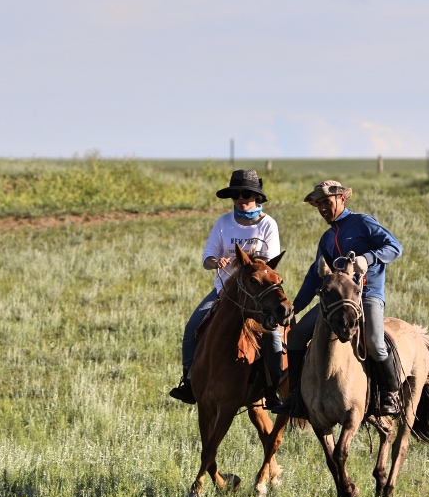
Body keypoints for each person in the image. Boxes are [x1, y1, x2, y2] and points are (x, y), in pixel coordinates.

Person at [268, 180, 403, 418]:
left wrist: (368, 258)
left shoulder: (363, 222)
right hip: (334, 301)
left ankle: (391, 395)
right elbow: (314, 276)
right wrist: (297, 306)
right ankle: (296, 398)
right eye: (318, 204)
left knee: (373, 341)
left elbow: (394, 247)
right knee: (298, 336)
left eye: (326, 202)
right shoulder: (327, 239)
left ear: (342, 199)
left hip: (367, 295)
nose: (321, 208)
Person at [169, 169, 283, 404]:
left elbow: (269, 263)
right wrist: (216, 261)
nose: (241, 199)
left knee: (272, 334)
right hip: (225, 291)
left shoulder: (268, 225)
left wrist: (247, 261)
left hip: (257, 294)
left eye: (246, 194)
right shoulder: (223, 223)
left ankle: (273, 389)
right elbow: (207, 257)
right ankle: (189, 381)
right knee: (192, 328)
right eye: (236, 195)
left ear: (256, 196)